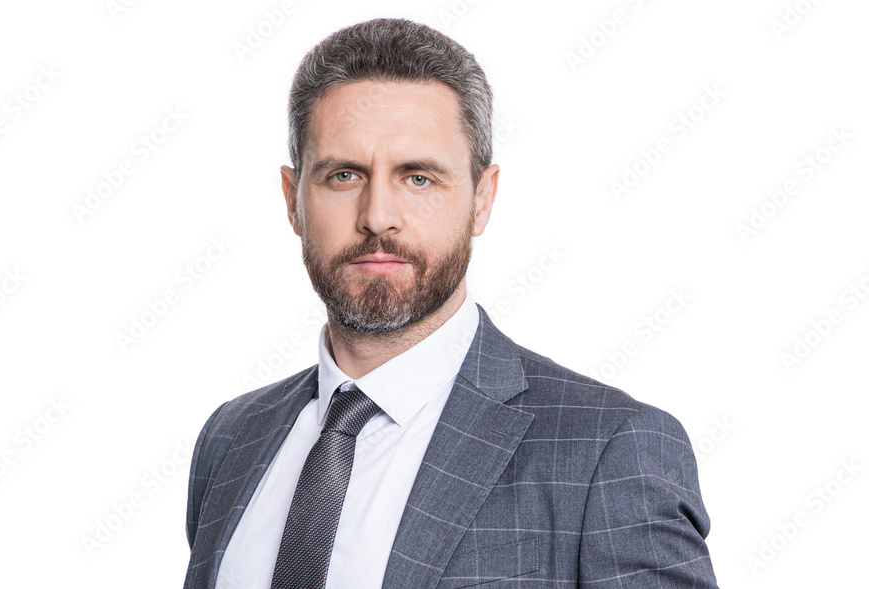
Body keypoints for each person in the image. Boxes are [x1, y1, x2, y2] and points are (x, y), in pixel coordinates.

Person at [184, 17, 718, 589]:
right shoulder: (232, 437)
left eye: (418, 178)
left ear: (482, 200)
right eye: (344, 176)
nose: (377, 216)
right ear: (293, 200)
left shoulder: (611, 450)